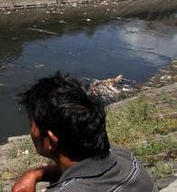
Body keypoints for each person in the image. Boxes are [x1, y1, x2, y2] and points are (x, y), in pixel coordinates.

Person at [13, 72, 156, 192]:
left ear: (51, 140)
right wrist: (37, 173)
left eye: (32, 123)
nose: (31, 130)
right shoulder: (125, 158)